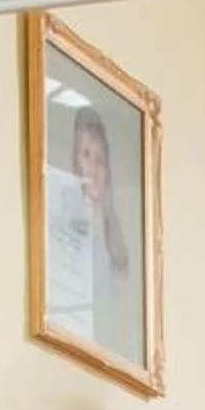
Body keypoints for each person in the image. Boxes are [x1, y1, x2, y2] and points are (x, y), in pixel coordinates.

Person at [71, 101, 139, 366]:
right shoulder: (66, 227)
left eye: (100, 160)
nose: (91, 167)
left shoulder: (112, 238)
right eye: (86, 154)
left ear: (107, 171)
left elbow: (123, 300)